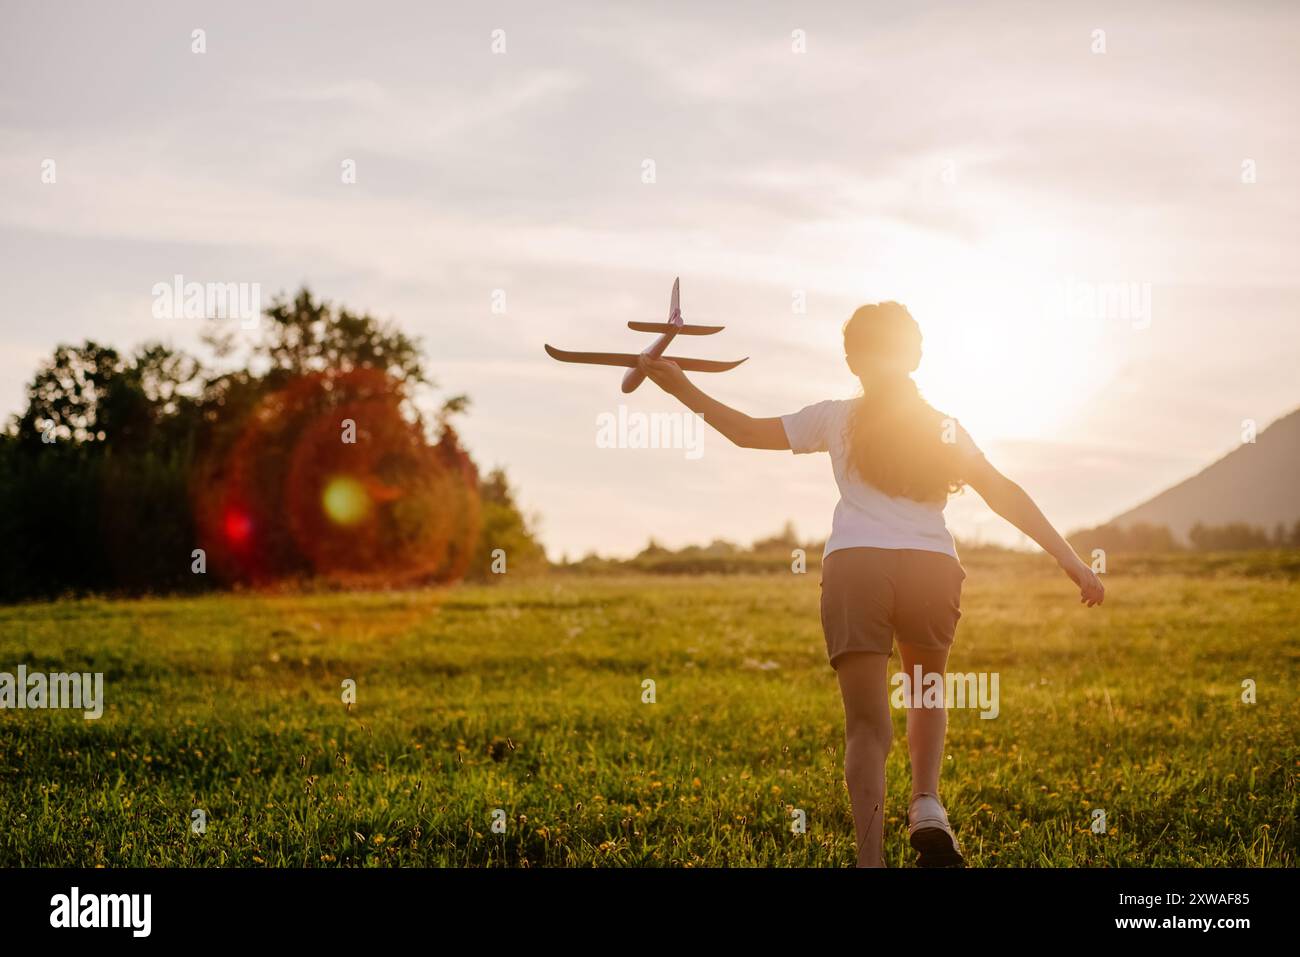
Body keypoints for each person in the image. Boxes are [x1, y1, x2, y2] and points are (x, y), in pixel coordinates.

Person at [636, 301, 1104, 867]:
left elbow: (743, 432)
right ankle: (927, 803)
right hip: (931, 565)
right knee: (926, 690)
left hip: (857, 565)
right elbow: (1002, 491)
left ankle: (869, 859)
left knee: (866, 724)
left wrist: (680, 387)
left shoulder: (835, 418)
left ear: (853, 360)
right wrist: (1071, 559)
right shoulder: (945, 426)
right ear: (915, 355)